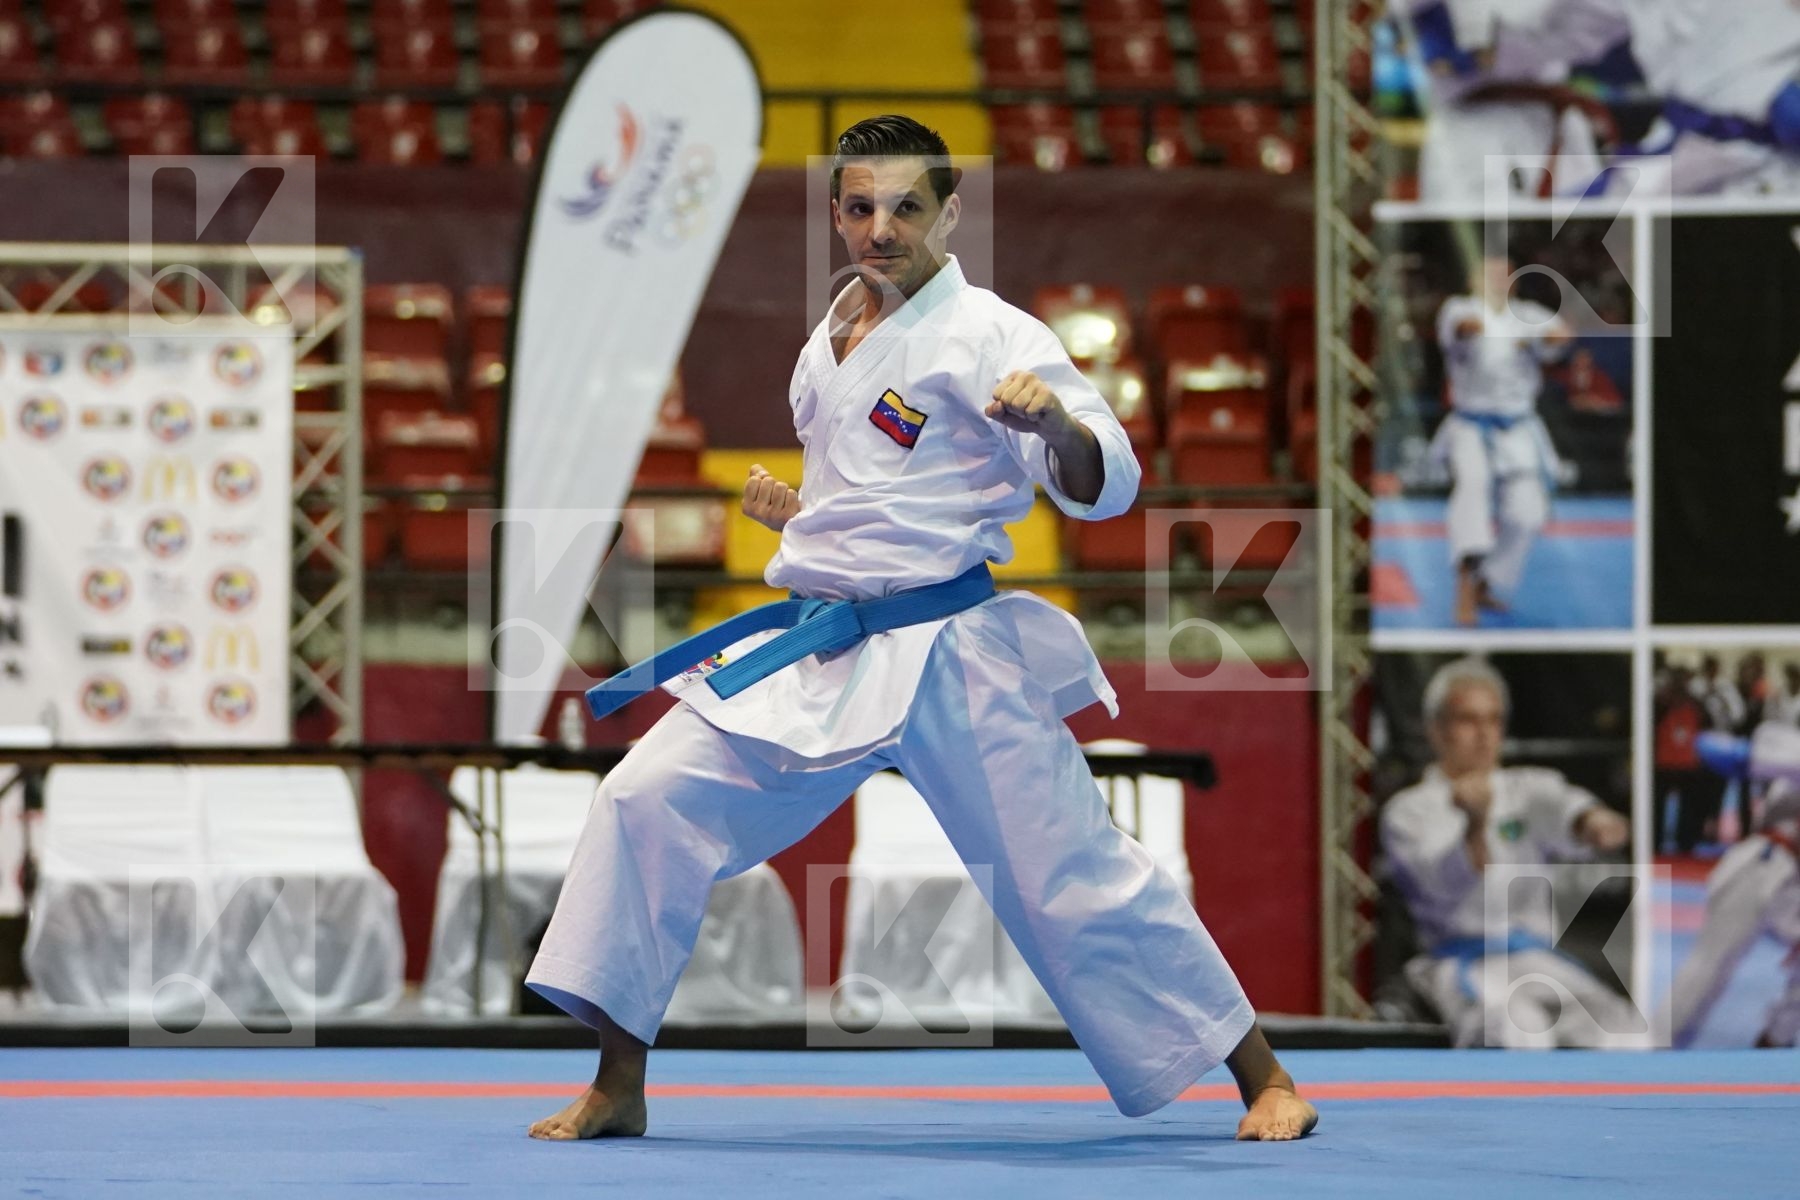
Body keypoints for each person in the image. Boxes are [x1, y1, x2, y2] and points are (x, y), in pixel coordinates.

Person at [522, 116, 1316, 1143]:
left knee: (1069, 871)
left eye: (905, 207)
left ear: (949, 211)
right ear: (837, 214)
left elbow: (1106, 480)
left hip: (949, 648)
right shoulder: (833, 332)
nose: (880, 228)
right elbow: (869, 497)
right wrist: (796, 515)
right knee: (643, 799)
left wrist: (1057, 427)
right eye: (859, 207)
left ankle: (1266, 1080)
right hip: (825, 643)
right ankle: (619, 1082)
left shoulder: (994, 334)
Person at [1381, 657, 1639, 1047]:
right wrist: (1474, 825)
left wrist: (1592, 821)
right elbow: (1441, 883)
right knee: (1517, 1031)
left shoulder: (1526, 786)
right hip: (1459, 962)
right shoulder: (1409, 809)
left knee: (1623, 1034)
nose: (1484, 734)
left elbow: (1560, 804)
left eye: (1493, 720)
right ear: (1436, 730)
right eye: (1468, 720)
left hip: (1534, 958)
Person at [1431, 251, 1573, 626]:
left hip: (1519, 428)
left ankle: (1488, 580)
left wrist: (1539, 336)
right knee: (1472, 491)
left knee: (1527, 514)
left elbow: (1562, 336)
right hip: (1470, 427)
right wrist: (1487, 329)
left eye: (1503, 274)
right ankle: (1463, 587)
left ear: (1514, 281)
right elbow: (1462, 328)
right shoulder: (1458, 309)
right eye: (1488, 274)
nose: (1496, 280)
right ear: (1473, 281)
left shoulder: (1528, 315)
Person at [1398, 0, 1628, 203]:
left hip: (1546, 121)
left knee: (1572, 245)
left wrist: (1502, 47)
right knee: (1462, 246)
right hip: (1463, 126)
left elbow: (1615, 17)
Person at [1666, 779, 1800, 1047]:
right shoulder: (1786, 763)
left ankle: (1776, 1038)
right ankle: (1655, 1046)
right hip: (1764, 863)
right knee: (1707, 969)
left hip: (1788, 876)